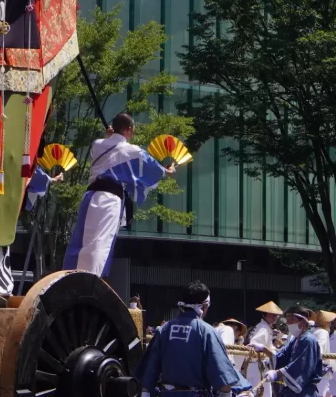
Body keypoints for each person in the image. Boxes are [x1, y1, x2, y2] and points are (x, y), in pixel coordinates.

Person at [62, 113, 173, 278]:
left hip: (90, 195)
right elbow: (152, 168)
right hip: (109, 199)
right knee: (100, 242)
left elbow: (106, 149)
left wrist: (109, 137)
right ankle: (89, 281)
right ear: (129, 129)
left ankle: (69, 277)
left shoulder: (97, 144)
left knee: (81, 239)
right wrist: (167, 171)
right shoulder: (132, 150)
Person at [136, 281, 252, 396]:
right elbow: (224, 381)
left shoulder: (164, 330)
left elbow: (146, 379)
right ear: (204, 306)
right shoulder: (207, 332)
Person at [260, 306, 323, 396]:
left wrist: (277, 373)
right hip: (291, 391)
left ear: (303, 321)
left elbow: (301, 365)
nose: (289, 324)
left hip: (304, 390)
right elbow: (283, 356)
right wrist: (263, 349)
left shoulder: (308, 340)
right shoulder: (295, 340)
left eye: (292, 321)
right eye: (288, 321)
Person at [247, 302, 283, 397]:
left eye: (276, 315)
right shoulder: (264, 328)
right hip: (258, 365)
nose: (275, 317)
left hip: (259, 366)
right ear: (265, 315)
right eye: (272, 315)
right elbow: (253, 344)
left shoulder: (265, 327)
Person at [311, 311, 335, 397]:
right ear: (326, 323)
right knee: (322, 393)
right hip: (320, 368)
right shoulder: (323, 333)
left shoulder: (312, 331)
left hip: (312, 368)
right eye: (330, 322)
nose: (331, 324)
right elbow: (319, 349)